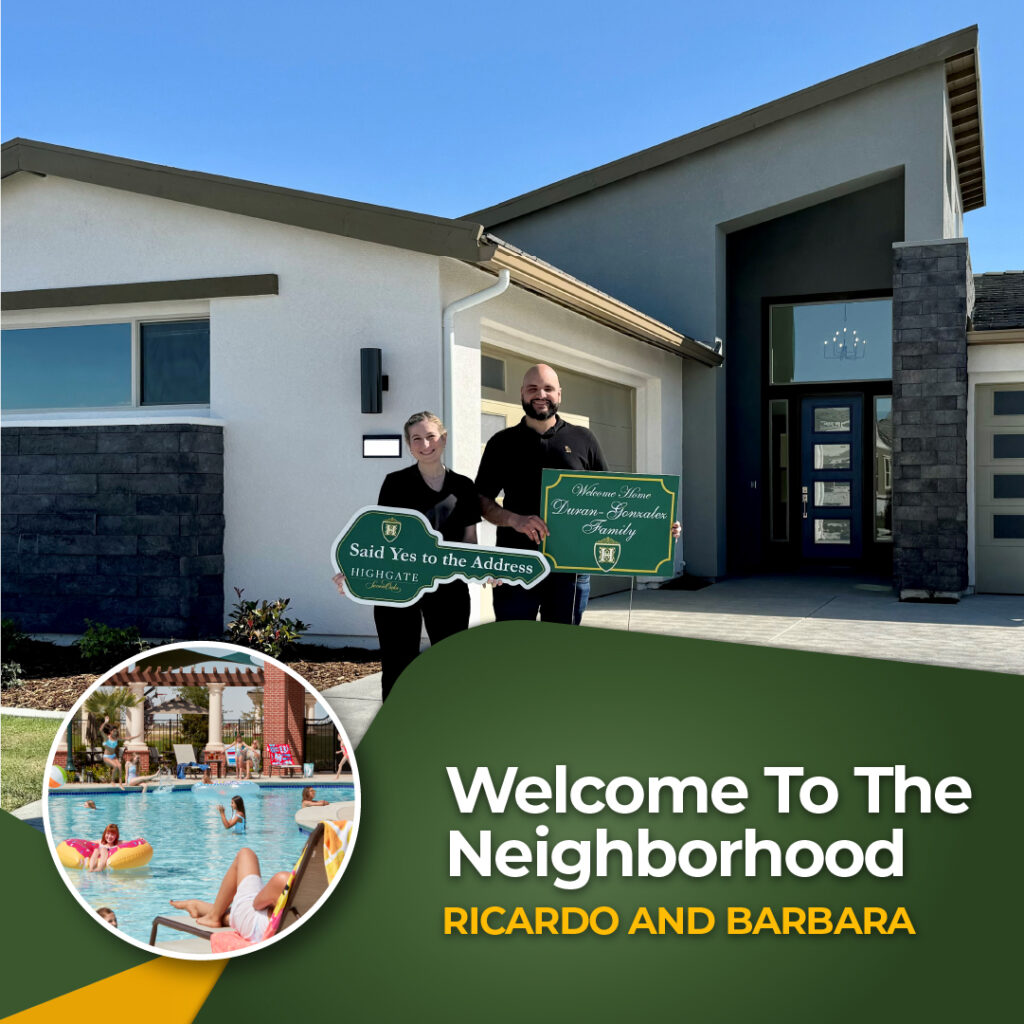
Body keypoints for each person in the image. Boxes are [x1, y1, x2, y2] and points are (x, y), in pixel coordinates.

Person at [477, 363, 681, 624]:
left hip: (570, 570)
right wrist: (515, 520)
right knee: (515, 649)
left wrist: (658, 527)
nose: (541, 395)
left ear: (559, 394)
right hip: (517, 565)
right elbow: (480, 499)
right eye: (533, 389)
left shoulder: (583, 439)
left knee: (562, 651)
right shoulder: (501, 443)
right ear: (522, 394)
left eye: (548, 389)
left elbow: (614, 503)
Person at [333, 411, 481, 699]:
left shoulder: (463, 486)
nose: (425, 444)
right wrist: (352, 573)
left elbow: (469, 542)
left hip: (447, 587)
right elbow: (378, 538)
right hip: (397, 588)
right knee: (398, 666)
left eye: (431, 436)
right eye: (417, 439)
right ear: (409, 445)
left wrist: (485, 570)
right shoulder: (395, 483)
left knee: (450, 662)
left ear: (444, 439)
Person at [169, 848, 289, 943]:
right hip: (278, 929)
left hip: (258, 929)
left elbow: (257, 904)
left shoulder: (284, 880)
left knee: (246, 854)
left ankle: (213, 917)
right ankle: (196, 906)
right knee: (242, 910)